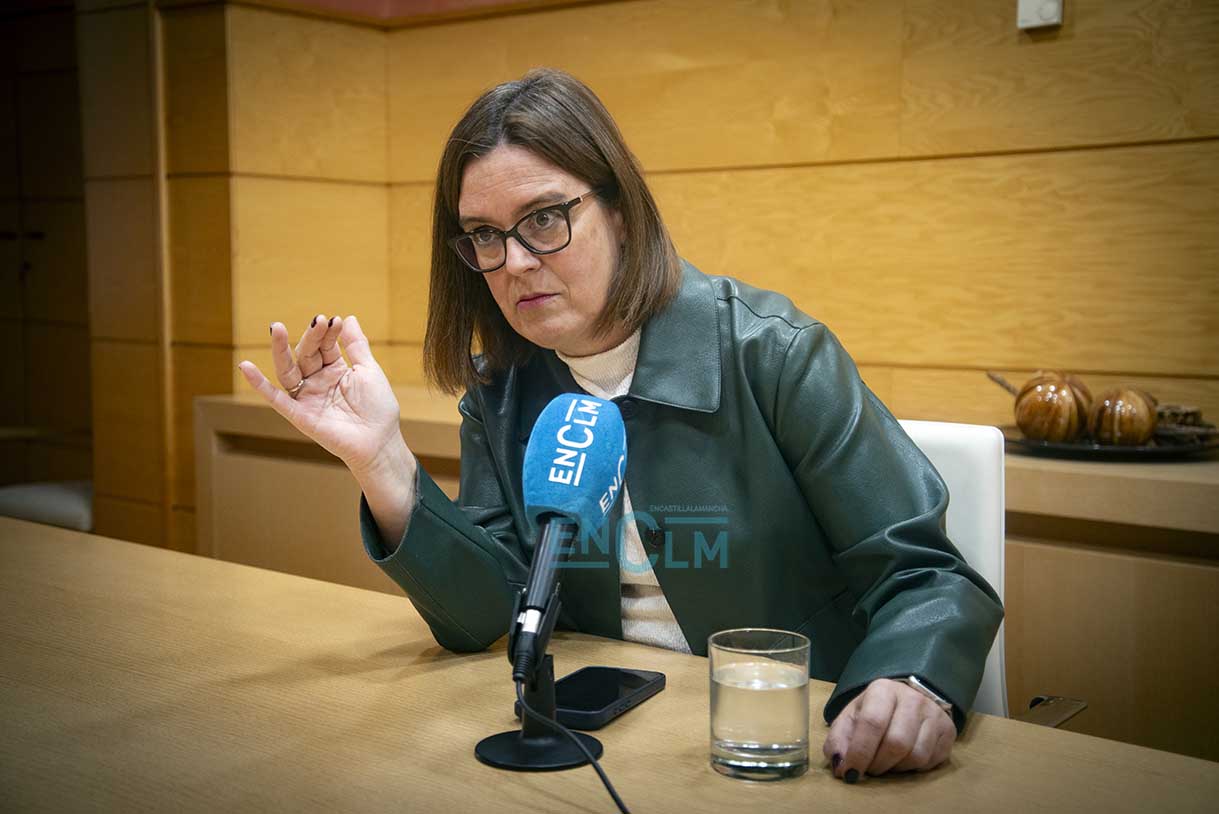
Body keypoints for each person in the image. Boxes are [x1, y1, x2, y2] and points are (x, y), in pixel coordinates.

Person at [238, 68, 1002, 782]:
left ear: (622, 213)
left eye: (542, 219)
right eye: (483, 234)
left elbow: (926, 576)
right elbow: (488, 613)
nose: (513, 263)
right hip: (614, 738)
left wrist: (908, 681)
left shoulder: (772, 353)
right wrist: (383, 464)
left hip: (783, 741)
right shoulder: (503, 390)